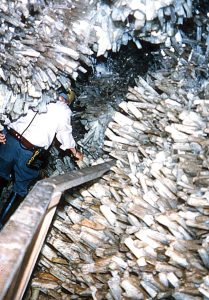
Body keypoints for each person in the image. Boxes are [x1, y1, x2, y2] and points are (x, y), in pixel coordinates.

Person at [0, 90, 83, 227]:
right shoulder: (63, 110)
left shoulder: (36, 93)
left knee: (1, 173)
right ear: (68, 101)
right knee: (20, 187)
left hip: (10, 140)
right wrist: (75, 153)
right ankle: (2, 226)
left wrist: (1, 129)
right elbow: (64, 134)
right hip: (29, 152)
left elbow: (9, 109)